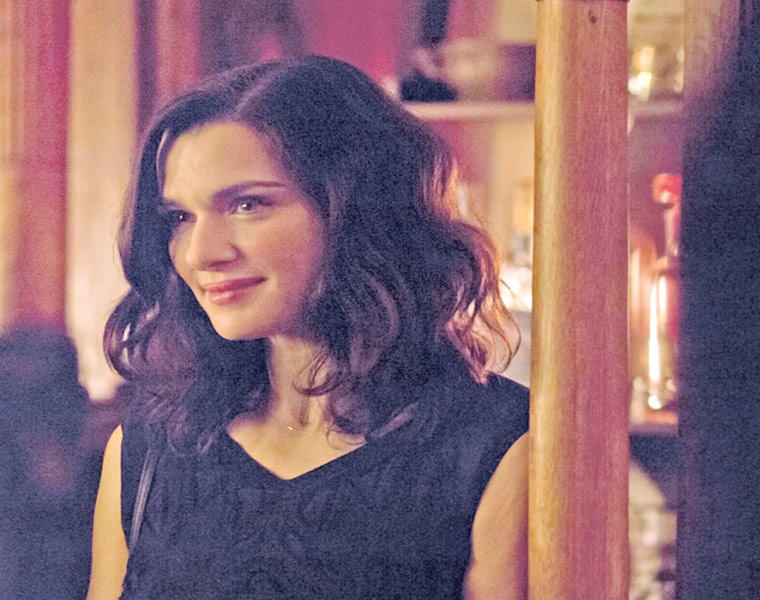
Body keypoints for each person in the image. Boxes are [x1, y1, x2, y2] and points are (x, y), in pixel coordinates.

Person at [87, 55, 528, 600]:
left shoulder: (496, 446)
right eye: (180, 218)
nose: (201, 253)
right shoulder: (147, 449)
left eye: (248, 204)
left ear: (358, 209)